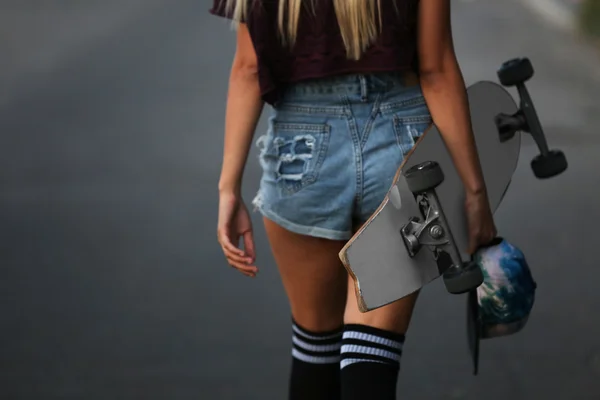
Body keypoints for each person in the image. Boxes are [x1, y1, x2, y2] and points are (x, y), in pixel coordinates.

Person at [212, 1, 497, 399]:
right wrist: (475, 190)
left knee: (315, 345)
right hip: (402, 144)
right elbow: (436, 70)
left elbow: (247, 69)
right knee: (374, 350)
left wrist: (229, 189)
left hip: (302, 150)